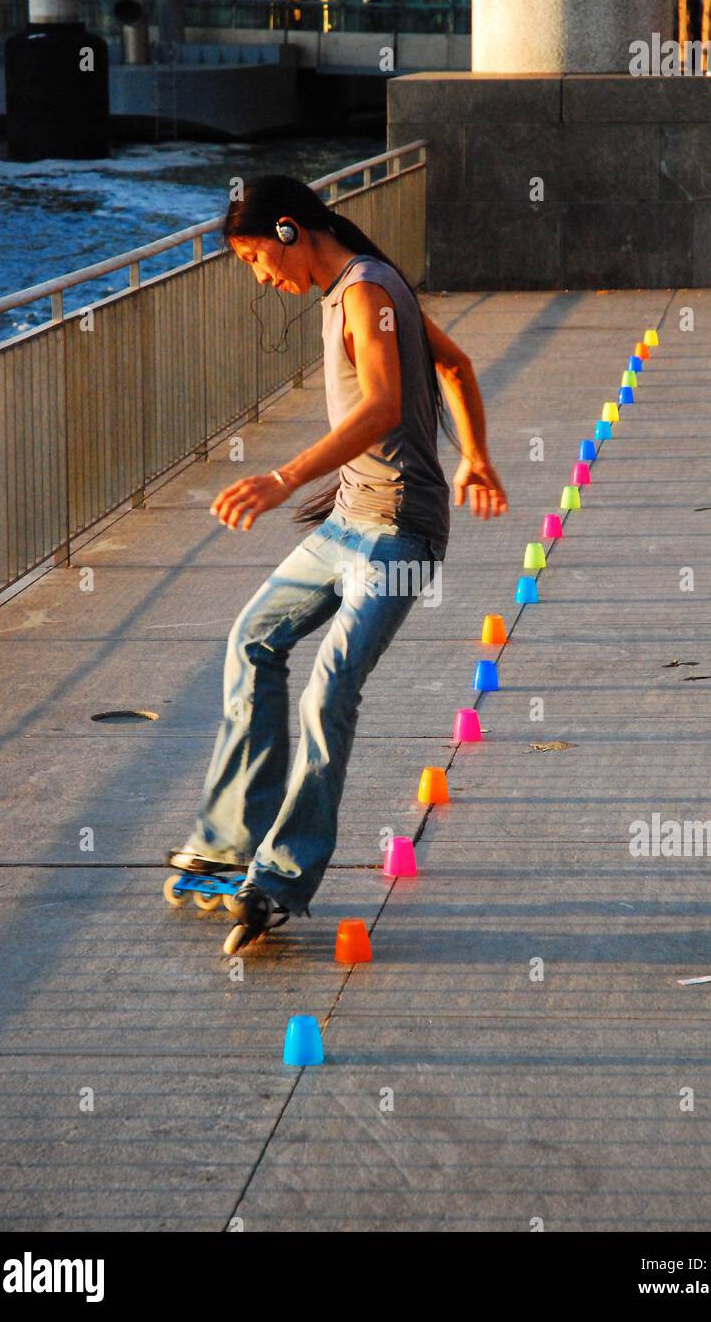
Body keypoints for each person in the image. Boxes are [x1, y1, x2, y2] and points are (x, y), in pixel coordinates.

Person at [165, 176, 508, 952]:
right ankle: (226, 845)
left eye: (257, 258)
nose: (261, 277)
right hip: (349, 523)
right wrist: (478, 459)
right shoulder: (362, 292)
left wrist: (284, 478)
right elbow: (452, 366)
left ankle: (280, 877)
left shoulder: (368, 289)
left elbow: (386, 405)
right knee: (253, 639)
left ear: (289, 231)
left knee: (330, 689)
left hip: (400, 536)